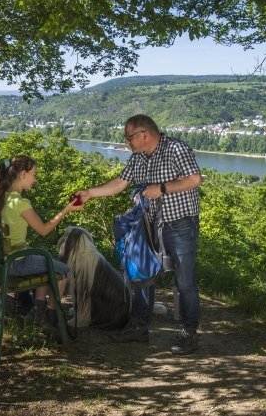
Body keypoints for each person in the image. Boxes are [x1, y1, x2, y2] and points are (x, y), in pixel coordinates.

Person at [75, 114, 203, 355]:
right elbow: (121, 182)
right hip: (149, 222)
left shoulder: (176, 148)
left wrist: (162, 188)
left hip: (180, 223)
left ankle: (189, 332)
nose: (127, 142)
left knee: (185, 280)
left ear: (144, 134)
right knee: (142, 271)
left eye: (129, 137)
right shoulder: (138, 157)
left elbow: (195, 179)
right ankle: (139, 326)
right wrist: (90, 193)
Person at [0, 156, 83, 329]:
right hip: (15, 262)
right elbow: (44, 230)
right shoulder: (20, 203)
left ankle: (37, 312)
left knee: (43, 261)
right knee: (63, 271)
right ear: (22, 174)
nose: (35, 179)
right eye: (34, 174)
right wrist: (66, 210)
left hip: (1, 259)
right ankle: (51, 315)